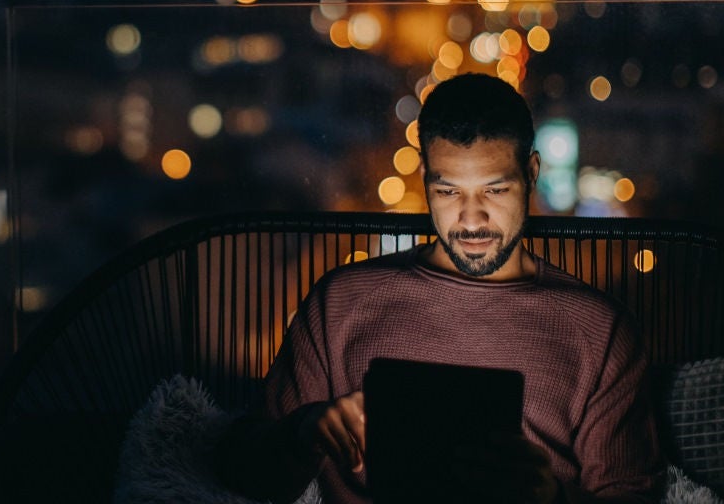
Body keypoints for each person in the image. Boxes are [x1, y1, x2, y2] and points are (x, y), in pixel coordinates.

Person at [216, 73, 664, 503]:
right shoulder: (341, 304)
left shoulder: (599, 332)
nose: (471, 220)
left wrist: (551, 498)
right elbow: (244, 470)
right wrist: (305, 430)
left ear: (531, 173)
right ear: (426, 179)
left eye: (495, 191)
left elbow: (631, 496)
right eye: (449, 192)